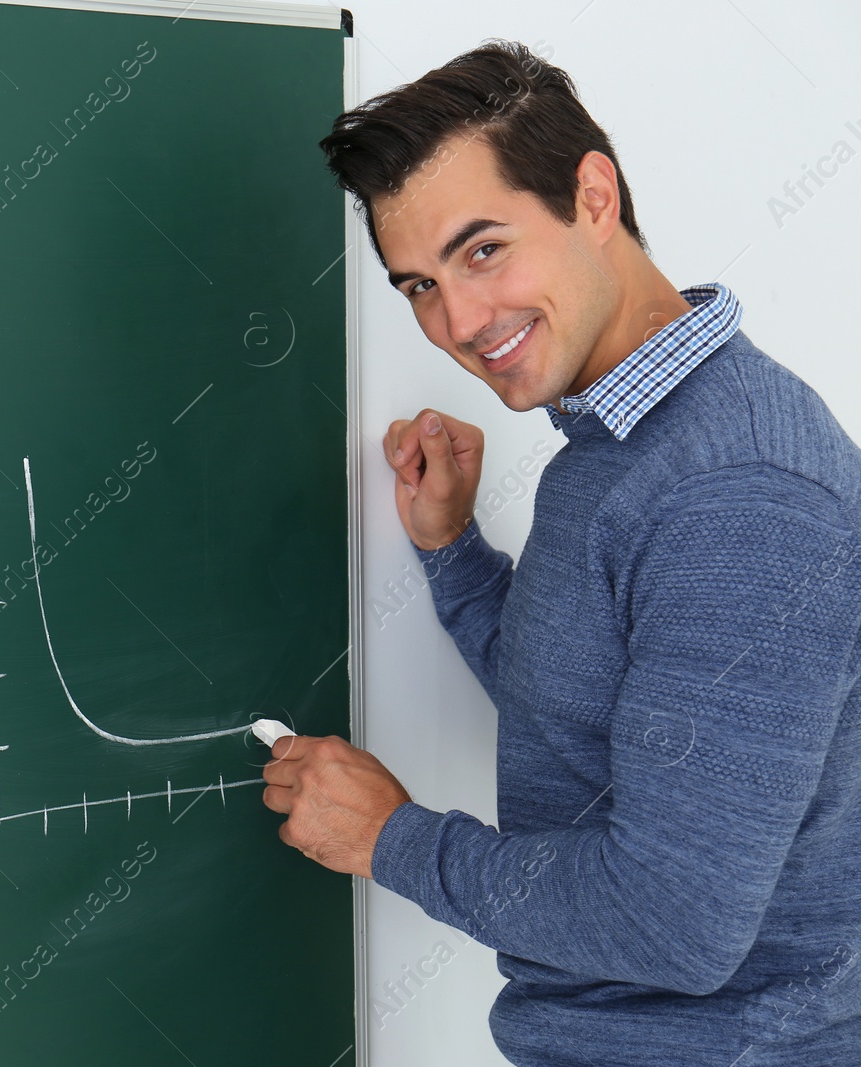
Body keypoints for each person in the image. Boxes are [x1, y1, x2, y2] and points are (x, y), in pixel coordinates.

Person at [260, 39, 861, 1065]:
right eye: (417, 285)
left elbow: (673, 921)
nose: (455, 321)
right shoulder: (614, 446)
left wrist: (392, 838)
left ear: (592, 195)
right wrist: (452, 550)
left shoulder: (737, 491)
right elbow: (598, 722)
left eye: (482, 249)